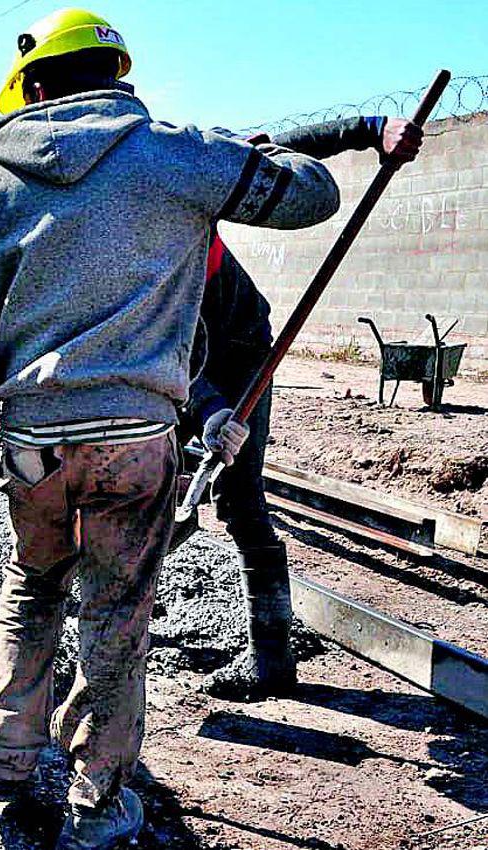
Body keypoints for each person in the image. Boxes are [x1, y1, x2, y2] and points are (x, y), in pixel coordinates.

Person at [0, 9, 339, 848]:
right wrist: (262, 147)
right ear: (120, 76)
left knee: (32, 584)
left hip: (30, 440)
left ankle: (4, 762)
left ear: (34, 89)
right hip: (135, 434)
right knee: (115, 611)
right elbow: (312, 194)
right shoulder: (179, 155)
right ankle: (95, 800)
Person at [191, 114, 422, 701]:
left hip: (240, 353)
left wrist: (374, 129)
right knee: (150, 497)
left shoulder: (182, 169)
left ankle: (269, 656)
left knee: (240, 499)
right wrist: (202, 410)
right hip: (166, 365)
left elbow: (278, 147)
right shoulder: (93, 238)